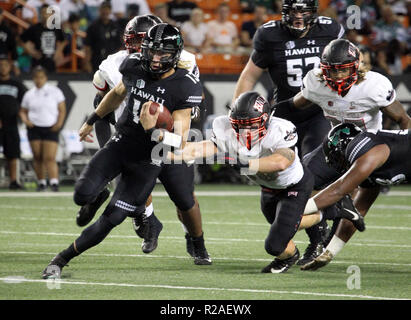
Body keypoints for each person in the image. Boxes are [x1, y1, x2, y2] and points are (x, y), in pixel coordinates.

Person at [42, 23, 211, 279]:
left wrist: (154, 131)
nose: (155, 59)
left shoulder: (185, 85)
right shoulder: (132, 65)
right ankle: (116, 204)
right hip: (120, 145)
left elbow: (182, 141)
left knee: (114, 217)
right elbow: (117, 93)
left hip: (148, 160)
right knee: (81, 195)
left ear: (175, 54)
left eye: (162, 53)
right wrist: (91, 120)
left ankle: (61, 259)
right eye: (151, 51)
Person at [167, 91, 363, 273]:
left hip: (294, 186)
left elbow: (281, 162)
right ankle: (294, 252)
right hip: (268, 188)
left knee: (274, 245)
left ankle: (331, 210)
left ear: (266, 120)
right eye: (239, 125)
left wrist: (245, 164)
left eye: (251, 124)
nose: (245, 131)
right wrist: (168, 154)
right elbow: (202, 148)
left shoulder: (281, 128)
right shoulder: (224, 127)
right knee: (281, 227)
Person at [273, 39, 411, 265]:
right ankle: (318, 239)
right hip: (334, 146)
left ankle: (329, 238)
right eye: (332, 70)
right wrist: (267, 112)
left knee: (358, 203)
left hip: (367, 150)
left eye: (343, 69)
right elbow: (293, 106)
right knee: (301, 180)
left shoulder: (374, 86)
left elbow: (403, 120)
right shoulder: (315, 83)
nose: (337, 76)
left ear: (356, 66)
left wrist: (404, 151)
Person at [233, 0, 344, 266]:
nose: (297, 17)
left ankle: (317, 238)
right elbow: (249, 76)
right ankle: (318, 221)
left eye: (303, 12)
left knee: (310, 172)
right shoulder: (269, 35)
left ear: (313, 13)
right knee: (276, 183)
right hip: (284, 111)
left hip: (318, 111)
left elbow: (347, 60)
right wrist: (235, 112)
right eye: (292, 12)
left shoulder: (330, 30)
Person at [86, 15, 203, 257]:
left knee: (183, 196)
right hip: (133, 132)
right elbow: (105, 97)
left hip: (167, 132)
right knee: (131, 182)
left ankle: (194, 238)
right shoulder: (115, 63)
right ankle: (146, 219)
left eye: (144, 41)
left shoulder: (186, 61)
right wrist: (95, 122)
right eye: (136, 41)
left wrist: (164, 123)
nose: (140, 48)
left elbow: (191, 103)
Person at [300, 122, 411, 270]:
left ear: (339, 149)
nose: (336, 165)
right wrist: (330, 252)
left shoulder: (362, 146)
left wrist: (297, 209)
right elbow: (356, 213)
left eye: (335, 159)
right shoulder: (369, 169)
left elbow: (338, 190)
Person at [19, 66, 66, 191]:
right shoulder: (29, 94)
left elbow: (62, 109)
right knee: (37, 156)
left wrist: (59, 123)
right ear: (33, 79)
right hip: (34, 128)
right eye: (36, 78)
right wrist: (26, 121)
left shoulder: (55, 91)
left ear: (45, 78)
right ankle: (41, 183)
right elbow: (23, 111)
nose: (38, 80)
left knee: (49, 157)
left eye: (41, 77)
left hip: (50, 127)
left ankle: (54, 182)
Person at [0, 56, 27, 189]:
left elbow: (25, 102)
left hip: (11, 123)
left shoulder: (17, 84)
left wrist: (22, 115)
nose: (3, 67)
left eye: (5, 65)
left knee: (13, 153)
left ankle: (13, 181)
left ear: (9, 67)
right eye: (1, 65)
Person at [20, 4, 66, 72]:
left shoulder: (57, 28)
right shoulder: (35, 28)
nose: (45, 15)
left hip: (51, 61)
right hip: (38, 61)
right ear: (40, 14)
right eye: (43, 13)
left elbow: (64, 41)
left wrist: (58, 52)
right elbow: (22, 39)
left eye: (47, 13)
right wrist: (31, 52)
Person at [83, 1, 122, 73]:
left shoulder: (115, 26)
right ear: (99, 10)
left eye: (107, 9)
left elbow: (120, 46)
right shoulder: (93, 27)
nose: (105, 11)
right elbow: (87, 46)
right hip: (96, 62)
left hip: (112, 63)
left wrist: (119, 62)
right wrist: (87, 63)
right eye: (103, 9)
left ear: (110, 11)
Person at [0, 8, 20, 76]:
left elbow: (13, 48)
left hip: (3, 61)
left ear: (2, 16)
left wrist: (15, 65)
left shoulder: (7, 30)